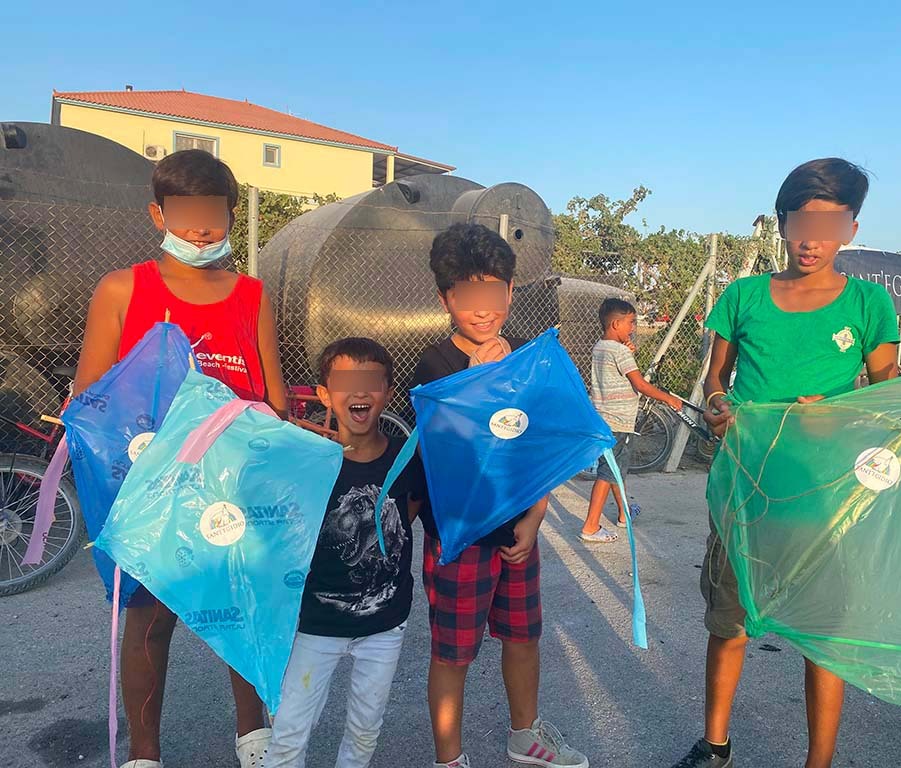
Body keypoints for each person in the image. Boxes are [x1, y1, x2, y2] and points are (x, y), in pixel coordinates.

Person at [673, 158, 900, 768]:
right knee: (730, 622)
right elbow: (715, 377)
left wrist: (837, 412)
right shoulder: (743, 295)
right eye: (799, 221)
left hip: (825, 495)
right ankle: (714, 744)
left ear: (851, 229)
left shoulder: (868, 303)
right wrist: (719, 403)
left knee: (824, 635)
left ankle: (818, 761)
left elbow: (885, 397)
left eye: (829, 222)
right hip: (745, 489)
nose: (811, 237)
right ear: (780, 224)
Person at [74, 150, 288, 768]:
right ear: (158, 213)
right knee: (146, 620)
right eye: (187, 214)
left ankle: (254, 736)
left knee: (239, 607)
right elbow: (90, 399)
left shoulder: (251, 294)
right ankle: (144, 752)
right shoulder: (122, 288)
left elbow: (271, 396)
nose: (201, 228)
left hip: (231, 482)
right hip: (148, 488)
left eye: (215, 215)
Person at [410, 223, 588, 768]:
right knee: (453, 652)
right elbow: (439, 457)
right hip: (460, 535)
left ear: (510, 293)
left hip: (517, 531)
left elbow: (533, 447)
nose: (481, 307)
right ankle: (449, 758)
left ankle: (525, 734)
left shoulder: (526, 360)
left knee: (523, 635)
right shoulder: (435, 366)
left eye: (493, 291)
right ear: (446, 299)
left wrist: (536, 514)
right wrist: (474, 380)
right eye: (466, 294)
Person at [265, 338, 425, 768]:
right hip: (314, 625)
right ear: (323, 394)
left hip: (384, 626)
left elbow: (406, 514)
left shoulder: (408, 458)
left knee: (364, 729)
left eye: (370, 381)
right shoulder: (306, 462)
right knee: (288, 734)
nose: (359, 392)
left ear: (388, 392)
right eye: (345, 382)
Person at [579, 298, 682, 543]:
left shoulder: (600, 347)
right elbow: (639, 383)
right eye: (631, 323)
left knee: (617, 469)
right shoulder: (620, 351)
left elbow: (617, 368)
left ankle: (625, 514)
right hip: (620, 422)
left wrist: (627, 348)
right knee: (608, 473)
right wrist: (668, 398)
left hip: (604, 418)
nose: (633, 327)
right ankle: (591, 525)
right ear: (616, 324)